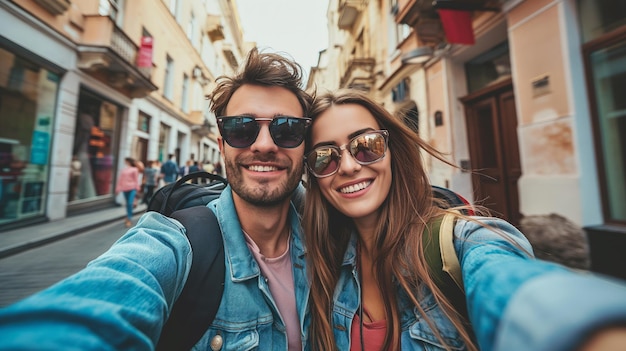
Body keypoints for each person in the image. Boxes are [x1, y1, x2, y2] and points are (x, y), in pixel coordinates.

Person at [0, 47, 313, 350]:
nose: (263, 145)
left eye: (286, 129)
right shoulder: (171, 244)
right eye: (241, 128)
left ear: (305, 145)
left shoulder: (334, 240)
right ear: (222, 145)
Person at [302, 89, 626, 351]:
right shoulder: (323, 263)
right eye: (324, 156)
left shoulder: (459, 241)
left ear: (393, 152)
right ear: (313, 177)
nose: (347, 166)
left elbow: (507, 279)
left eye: (366, 145)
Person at [115, 157, 140, 227]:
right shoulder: (123, 170)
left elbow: (136, 180)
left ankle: (129, 218)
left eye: (125, 161)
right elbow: (120, 179)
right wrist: (118, 189)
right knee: (127, 203)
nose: (124, 162)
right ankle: (128, 216)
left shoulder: (135, 169)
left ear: (128, 161)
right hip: (124, 188)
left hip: (132, 188)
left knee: (129, 203)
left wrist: (137, 189)